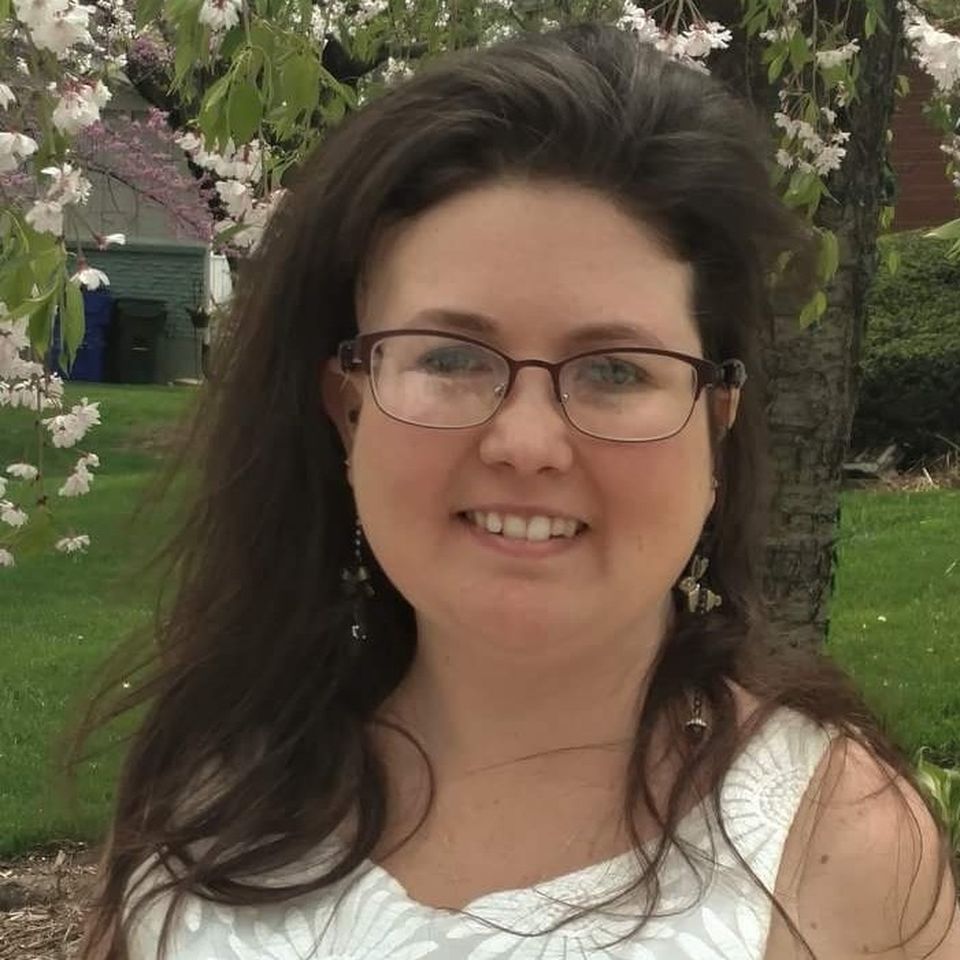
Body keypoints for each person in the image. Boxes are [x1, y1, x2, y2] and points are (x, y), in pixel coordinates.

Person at [73, 23, 959, 960]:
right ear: (350, 409)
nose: (526, 444)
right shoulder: (210, 795)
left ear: (716, 426)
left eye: (615, 370)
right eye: (452, 358)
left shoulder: (837, 854)